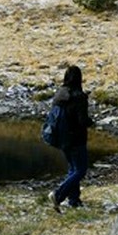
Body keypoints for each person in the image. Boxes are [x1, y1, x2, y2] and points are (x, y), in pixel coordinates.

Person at [49, 65, 93, 213]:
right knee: (80, 170)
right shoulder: (79, 97)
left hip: (61, 138)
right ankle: (58, 195)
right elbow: (82, 121)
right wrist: (90, 122)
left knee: (73, 168)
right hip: (76, 139)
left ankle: (74, 200)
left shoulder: (60, 94)